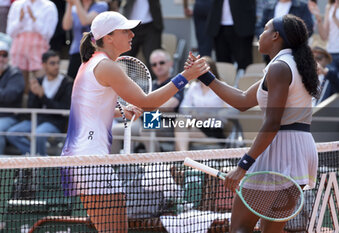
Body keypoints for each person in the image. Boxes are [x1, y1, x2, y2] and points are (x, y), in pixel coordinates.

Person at [60, 11, 209, 232]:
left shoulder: (90, 64)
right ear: (109, 37)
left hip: (81, 159)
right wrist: (185, 76)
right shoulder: (106, 66)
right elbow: (148, 103)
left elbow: (87, 111)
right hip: (92, 161)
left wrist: (120, 112)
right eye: (125, 30)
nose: (132, 34)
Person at [188, 14, 319, 232]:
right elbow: (242, 101)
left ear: (276, 36)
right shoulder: (291, 65)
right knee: (271, 230)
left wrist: (242, 166)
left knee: (239, 227)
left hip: (280, 150)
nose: (260, 34)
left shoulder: (279, 68)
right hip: (301, 152)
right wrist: (206, 76)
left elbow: (272, 122)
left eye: (265, 29)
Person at [110, 49, 184, 153]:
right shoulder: (151, 85)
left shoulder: (176, 84)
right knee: (115, 130)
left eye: (161, 63)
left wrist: (145, 106)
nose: (158, 66)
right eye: (154, 64)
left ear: (170, 63)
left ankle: (155, 164)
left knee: (146, 129)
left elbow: (170, 105)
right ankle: (115, 165)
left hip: (164, 122)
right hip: (142, 120)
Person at [6, 50, 72, 156]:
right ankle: (33, 156)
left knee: (38, 134)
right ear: (44, 65)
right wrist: (34, 94)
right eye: (52, 63)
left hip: (55, 122)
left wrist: (43, 96)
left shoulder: (67, 83)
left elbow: (63, 108)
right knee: (12, 133)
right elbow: (31, 108)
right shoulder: (39, 81)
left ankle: (41, 163)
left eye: (58, 63)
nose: (56, 66)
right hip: (36, 119)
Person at [175, 56, 228, 151]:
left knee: (180, 134)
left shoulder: (222, 86)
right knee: (180, 122)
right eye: (200, 70)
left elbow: (230, 111)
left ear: (213, 71)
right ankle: (183, 159)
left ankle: (181, 160)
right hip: (197, 125)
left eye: (206, 70)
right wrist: (193, 113)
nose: (203, 73)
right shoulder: (194, 87)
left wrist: (211, 115)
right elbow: (183, 108)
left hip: (213, 128)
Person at [6, 0, 58, 93]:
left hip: (39, 49)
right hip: (18, 47)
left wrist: (34, 19)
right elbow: (10, 32)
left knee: (40, 82)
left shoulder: (49, 6)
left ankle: (38, 105)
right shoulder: (17, 5)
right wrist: (20, 20)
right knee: (19, 83)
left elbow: (48, 33)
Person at [62, 0, 108, 79]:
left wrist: (76, 3)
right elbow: (66, 26)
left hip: (94, 51)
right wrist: (69, 5)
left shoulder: (101, 5)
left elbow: (85, 21)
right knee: (72, 81)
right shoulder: (74, 8)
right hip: (76, 51)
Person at [206, 0, 256, 72]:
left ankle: (244, 82)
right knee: (222, 62)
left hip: (242, 24)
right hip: (219, 26)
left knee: (244, 61)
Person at [308, 0, 339, 75]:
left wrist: (335, 18)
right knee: (331, 83)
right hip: (331, 52)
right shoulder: (329, 7)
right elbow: (324, 36)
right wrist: (319, 19)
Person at [120, 0, 163, 70]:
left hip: (151, 24)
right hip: (130, 25)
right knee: (125, 58)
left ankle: (155, 80)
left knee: (153, 59)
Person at [0, 40, 25, 155]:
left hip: (9, 117)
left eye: (4, 55)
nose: (1, 58)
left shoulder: (15, 74)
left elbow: (8, 97)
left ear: (8, 57)